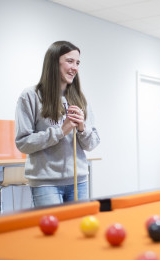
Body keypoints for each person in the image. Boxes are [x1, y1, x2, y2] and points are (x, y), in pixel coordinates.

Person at [15, 41, 100, 206]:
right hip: (46, 184)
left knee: (77, 230)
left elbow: (93, 143)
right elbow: (23, 143)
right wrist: (60, 131)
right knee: (54, 232)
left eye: (77, 63)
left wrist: (82, 128)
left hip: (78, 181)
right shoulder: (30, 96)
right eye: (70, 61)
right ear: (54, 62)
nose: (75, 67)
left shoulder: (80, 98)